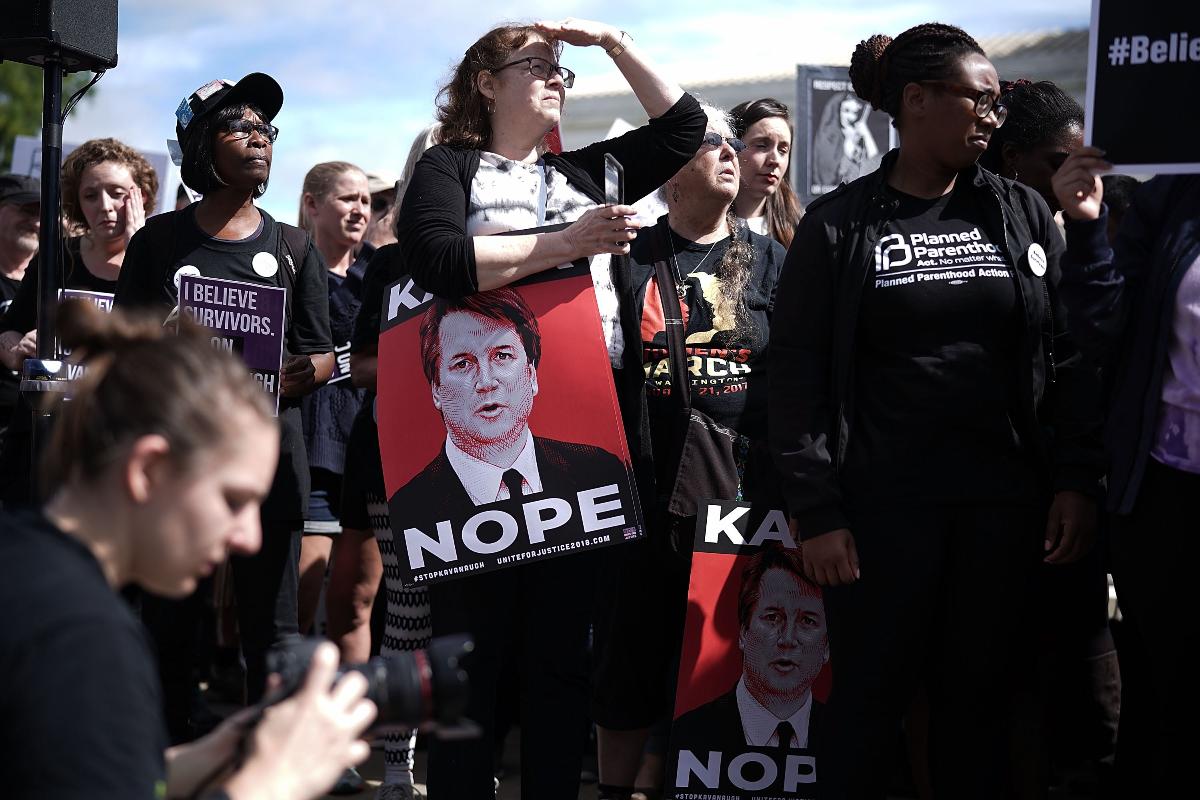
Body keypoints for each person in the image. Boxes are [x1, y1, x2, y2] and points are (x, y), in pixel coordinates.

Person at [768, 23, 1104, 798]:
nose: (992, 116)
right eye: (977, 99)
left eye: (997, 102)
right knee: (866, 712)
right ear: (916, 100)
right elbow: (796, 376)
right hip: (880, 521)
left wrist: (1075, 478)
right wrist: (817, 511)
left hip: (1003, 516)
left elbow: (1067, 354)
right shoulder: (839, 223)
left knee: (979, 715)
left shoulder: (1020, 211)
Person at [394, 17, 704, 798]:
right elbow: (438, 258)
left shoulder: (590, 172)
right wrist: (568, 243)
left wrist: (613, 42)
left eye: (562, 67)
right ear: (486, 84)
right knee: (475, 656)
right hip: (481, 436)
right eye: (536, 65)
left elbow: (684, 127)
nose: (555, 77)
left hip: (582, 432)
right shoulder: (449, 166)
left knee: (563, 659)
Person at [0, 300, 374, 800]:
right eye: (232, 500)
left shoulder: (27, 564)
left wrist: (216, 753)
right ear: (148, 470)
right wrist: (275, 780)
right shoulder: (83, 638)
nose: (248, 537)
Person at [115, 72, 334, 708]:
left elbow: (323, 351)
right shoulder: (158, 243)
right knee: (172, 622)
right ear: (200, 146)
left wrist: (306, 371)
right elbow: (122, 346)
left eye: (265, 129)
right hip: (182, 462)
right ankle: (170, 741)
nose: (258, 138)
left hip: (269, 465)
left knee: (274, 630)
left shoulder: (294, 246)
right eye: (239, 126)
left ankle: (271, 743)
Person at [590, 105, 787, 800]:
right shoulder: (627, 258)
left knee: (720, 666)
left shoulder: (772, 261)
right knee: (627, 666)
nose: (731, 153)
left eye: (735, 142)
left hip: (740, 501)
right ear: (670, 176)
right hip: (640, 498)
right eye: (712, 144)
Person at [977, 77, 1120, 793]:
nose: (1078, 177)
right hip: (999, 492)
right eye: (1060, 162)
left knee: (1085, 667)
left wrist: (1079, 477)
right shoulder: (978, 237)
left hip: (1072, 483)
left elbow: (1088, 361)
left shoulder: (1098, 230)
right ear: (1012, 160)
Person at [1052, 147, 1200, 796]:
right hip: (1168, 499)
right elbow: (1103, 330)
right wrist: (1087, 227)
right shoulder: (1171, 199)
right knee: (1169, 703)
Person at [0, 139, 158, 506]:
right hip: (40, 435)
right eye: (90, 195)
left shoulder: (158, 265)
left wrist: (139, 251)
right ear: (76, 202)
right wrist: (16, 350)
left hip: (111, 442)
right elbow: (7, 330)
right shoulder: (57, 257)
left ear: (142, 197)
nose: (105, 205)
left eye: (117, 193)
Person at [670, 548, 827, 754]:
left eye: (807, 621)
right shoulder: (686, 735)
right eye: (772, 617)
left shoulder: (850, 739)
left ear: (827, 646)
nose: (787, 639)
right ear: (744, 632)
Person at [0, 173, 40, 448]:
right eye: (27, 210)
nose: (36, 222)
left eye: (42, 214)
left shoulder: (55, 281)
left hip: (37, 429)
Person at [730, 98, 802, 247]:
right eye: (762, 145)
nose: (775, 160)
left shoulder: (801, 231)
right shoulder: (699, 228)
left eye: (783, 150)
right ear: (732, 148)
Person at [811, 91, 881, 189]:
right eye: (846, 110)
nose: (850, 117)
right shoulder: (828, 136)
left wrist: (866, 134)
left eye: (854, 112)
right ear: (837, 110)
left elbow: (876, 165)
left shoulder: (860, 134)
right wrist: (847, 155)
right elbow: (827, 175)